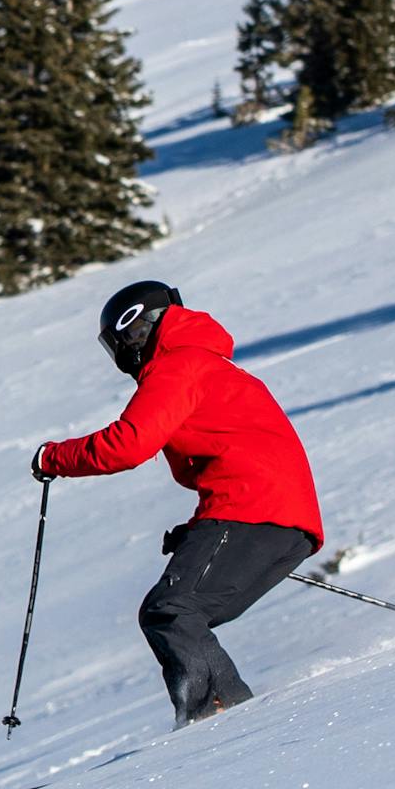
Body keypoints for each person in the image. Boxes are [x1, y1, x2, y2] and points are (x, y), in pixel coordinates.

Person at [30, 279, 324, 726]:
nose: (121, 357)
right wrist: (201, 531)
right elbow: (239, 456)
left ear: (134, 328)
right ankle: (225, 716)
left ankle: (215, 718)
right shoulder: (209, 366)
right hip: (281, 520)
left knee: (171, 610)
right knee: (183, 610)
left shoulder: (179, 366)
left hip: (252, 511)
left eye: (118, 343)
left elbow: (126, 446)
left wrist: (52, 457)